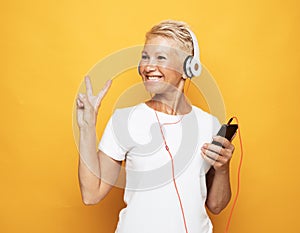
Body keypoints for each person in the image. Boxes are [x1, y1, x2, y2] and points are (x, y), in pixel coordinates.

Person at [76, 20, 235, 233]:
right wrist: (87, 126)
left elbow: (216, 205)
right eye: (145, 57)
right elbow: (91, 194)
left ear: (189, 67)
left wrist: (223, 169)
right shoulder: (124, 120)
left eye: (161, 57)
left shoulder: (209, 124)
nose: (148, 67)